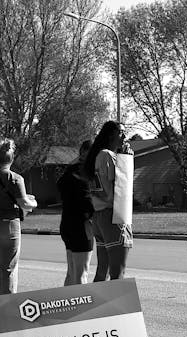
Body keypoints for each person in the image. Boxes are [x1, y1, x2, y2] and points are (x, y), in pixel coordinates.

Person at [0, 138, 37, 296]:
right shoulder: (16, 179)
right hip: (8, 225)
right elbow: (24, 203)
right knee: (8, 268)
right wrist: (34, 203)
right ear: (11, 159)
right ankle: (6, 307)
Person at [83, 121, 133, 281]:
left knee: (102, 271)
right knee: (117, 273)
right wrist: (126, 160)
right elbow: (120, 186)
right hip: (113, 215)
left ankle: (97, 306)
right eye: (121, 132)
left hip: (99, 216)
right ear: (111, 134)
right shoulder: (107, 155)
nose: (125, 136)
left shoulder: (97, 155)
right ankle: (114, 306)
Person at [57, 140, 95, 285]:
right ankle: (80, 307)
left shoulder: (68, 172)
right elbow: (86, 201)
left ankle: (67, 304)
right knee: (81, 273)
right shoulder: (85, 174)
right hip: (81, 225)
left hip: (66, 223)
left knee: (71, 272)